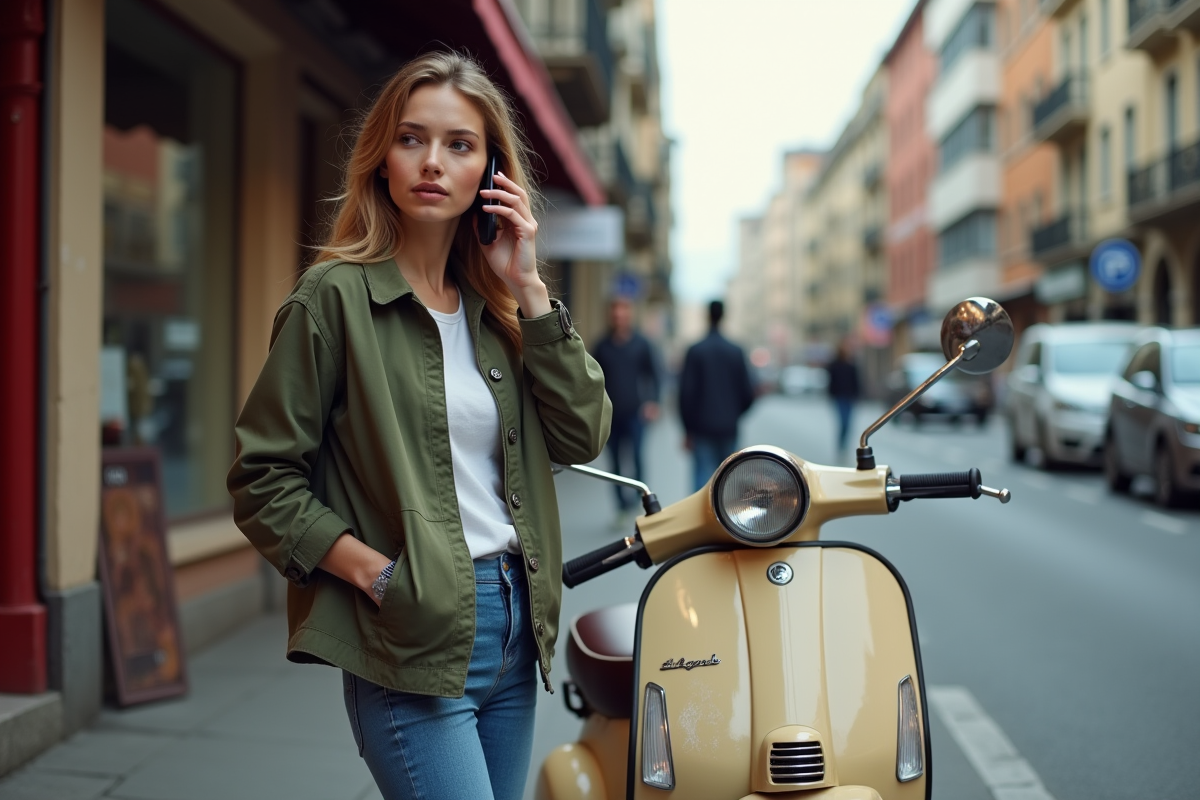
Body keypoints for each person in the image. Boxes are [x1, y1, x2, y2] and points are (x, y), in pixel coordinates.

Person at [226, 52, 611, 800]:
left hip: (514, 628)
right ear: (382, 159)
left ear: (490, 175)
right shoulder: (333, 298)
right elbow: (261, 478)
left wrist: (529, 287)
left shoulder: (498, 309)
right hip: (410, 631)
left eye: (460, 145)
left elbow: (583, 434)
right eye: (412, 139)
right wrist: (374, 575)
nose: (433, 162)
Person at [590, 296, 660, 522]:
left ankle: (641, 502)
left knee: (638, 457)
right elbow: (591, 379)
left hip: (635, 413)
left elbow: (654, 375)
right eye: (615, 312)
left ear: (629, 315)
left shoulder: (641, 344)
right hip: (609, 416)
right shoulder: (602, 345)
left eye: (623, 312)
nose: (619, 316)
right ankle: (621, 506)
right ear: (611, 316)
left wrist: (653, 402)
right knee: (616, 463)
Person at [678, 300, 756, 491]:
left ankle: (701, 520)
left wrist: (687, 428)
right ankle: (725, 520)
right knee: (728, 482)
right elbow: (748, 392)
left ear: (707, 316)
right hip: (728, 427)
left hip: (701, 427)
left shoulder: (696, 350)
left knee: (702, 481)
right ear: (723, 316)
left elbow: (685, 394)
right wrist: (733, 414)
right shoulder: (735, 351)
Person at [827, 337, 861, 457]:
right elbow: (831, 382)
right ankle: (841, 445)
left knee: (849, 423)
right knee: (843, 422)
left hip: (849, 397)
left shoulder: (852, 364)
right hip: (839, 397)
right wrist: (831, 395)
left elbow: (856, 382)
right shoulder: (834, 365)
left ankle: (844, 445)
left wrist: (857, 395)